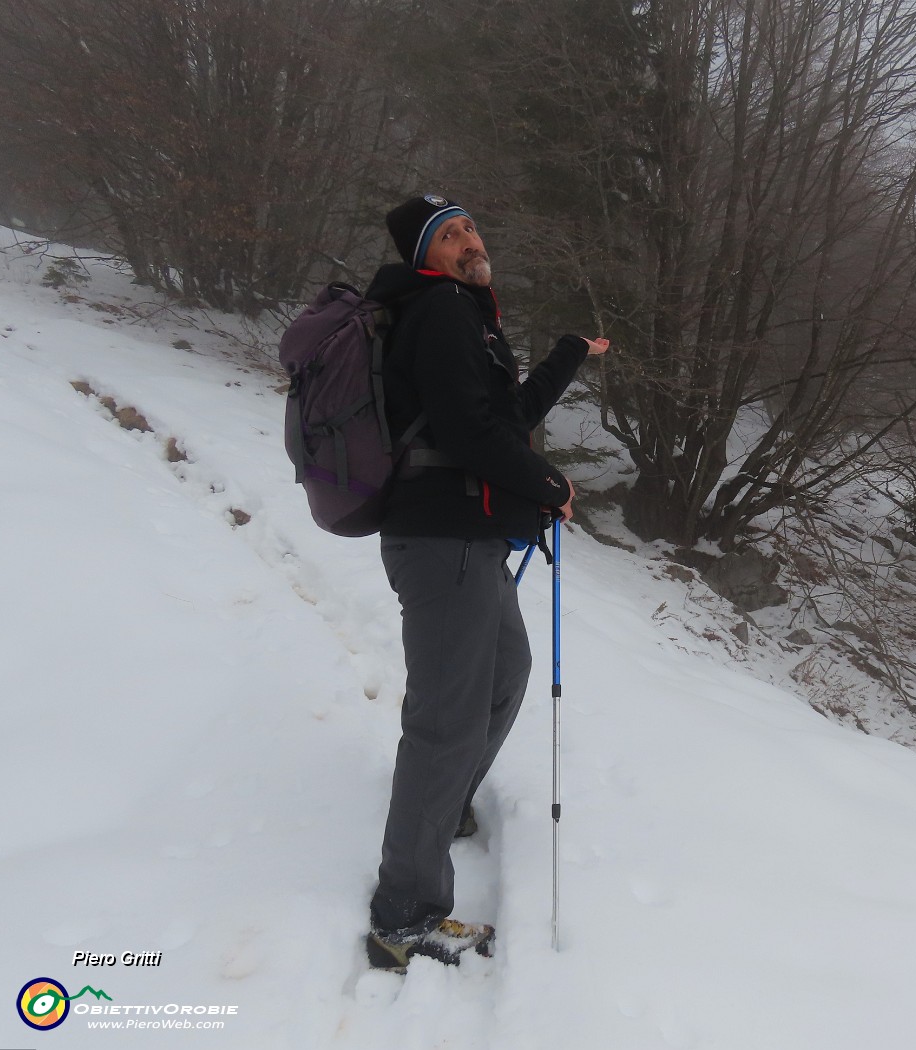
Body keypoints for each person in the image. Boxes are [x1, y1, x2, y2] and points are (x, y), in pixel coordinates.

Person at [362, 194, 608, 971]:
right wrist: (546, 483)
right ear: (425, 256)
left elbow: (501, 414)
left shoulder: (466, 316)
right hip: (441, 541)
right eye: (450, 234)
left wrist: (567, 353)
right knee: (445, 720)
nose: (470, 239)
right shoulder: (438, 311)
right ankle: (403, 915)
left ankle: (443, 804)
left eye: (469, 226)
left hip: (467, 539)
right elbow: (473, 436)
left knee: (507, 672)